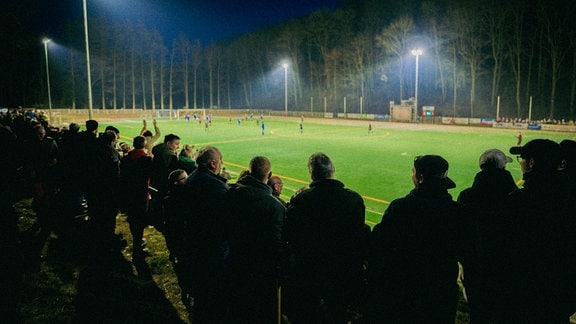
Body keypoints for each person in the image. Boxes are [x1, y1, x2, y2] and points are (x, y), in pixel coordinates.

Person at [366, 155, 462, 323]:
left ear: (421, 178)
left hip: (407, 291)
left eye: (413, 172)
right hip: (442, 291)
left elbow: (379, 246)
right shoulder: (458, 212)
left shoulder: (400, 208)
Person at [488, 139, 575, 322]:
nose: (521, 163)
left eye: (522, 158)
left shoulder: (517, 202)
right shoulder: (569, 200)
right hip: (559, 296)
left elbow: (501, 251)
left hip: (523, 295)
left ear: (532, 163)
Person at [284, 152, 367, 323]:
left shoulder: (302, 200)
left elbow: (291, 235)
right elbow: (359, 236)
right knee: (338, 314)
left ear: (312, 174)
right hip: (342, 273)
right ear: (333, 170)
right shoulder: (354, 199)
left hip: (310, 273)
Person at [457, 149, 518, 323]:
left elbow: (461, 235)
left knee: (479, 314)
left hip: (476, 271)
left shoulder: (468, 196)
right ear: (504, 167)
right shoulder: (516, 197)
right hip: (508, 271)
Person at [224, 156, 286, 323]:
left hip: (235, 262)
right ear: (269, 174)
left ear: (249, 172)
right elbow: (277, 243)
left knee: (240, 309)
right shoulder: (275, 206)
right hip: (263, 270)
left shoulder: (231, 194)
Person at [182, 146, 229, 323]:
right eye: (220, 161)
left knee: (203, 291)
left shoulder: (193, 178)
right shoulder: (214, 186)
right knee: (214, 293)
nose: (221, 164)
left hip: (196, 243)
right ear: (213, 163)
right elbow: (225, 219)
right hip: (212, 247)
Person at [119, 135, 153, 261]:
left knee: (133, 218)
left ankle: (137, 241)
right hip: (141, 194)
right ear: (144, 145)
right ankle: (138, 246)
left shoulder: (126, 158)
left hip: (129, 194)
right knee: (140, 219)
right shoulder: (146, 159)